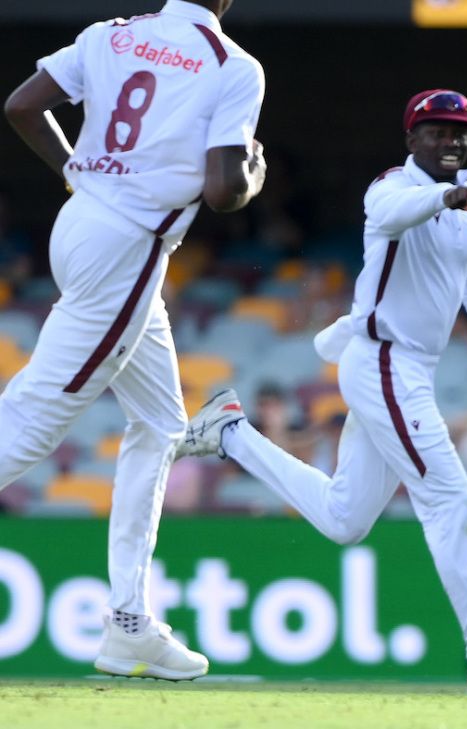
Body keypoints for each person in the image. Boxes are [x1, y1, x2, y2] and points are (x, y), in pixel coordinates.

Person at [175, 89, 467, 694]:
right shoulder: (391, 187)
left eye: (459, 131)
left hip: (407, 369)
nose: (452, 140)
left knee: (344, 519)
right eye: (437, 130)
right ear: (411, 140)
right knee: (452, 502)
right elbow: (393, 216)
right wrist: (445, 197)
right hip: (384, 363)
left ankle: (232, 434)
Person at [1, 0, 265, 680]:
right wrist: (254, 175)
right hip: (129, 247)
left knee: (161, 423)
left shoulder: (112, 34)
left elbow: (22, 106)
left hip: (82, 221)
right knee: (31, 421)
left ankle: (129, 624)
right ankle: (127, 624)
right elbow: (224, 190)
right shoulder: (232, 64)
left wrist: (72, 170)